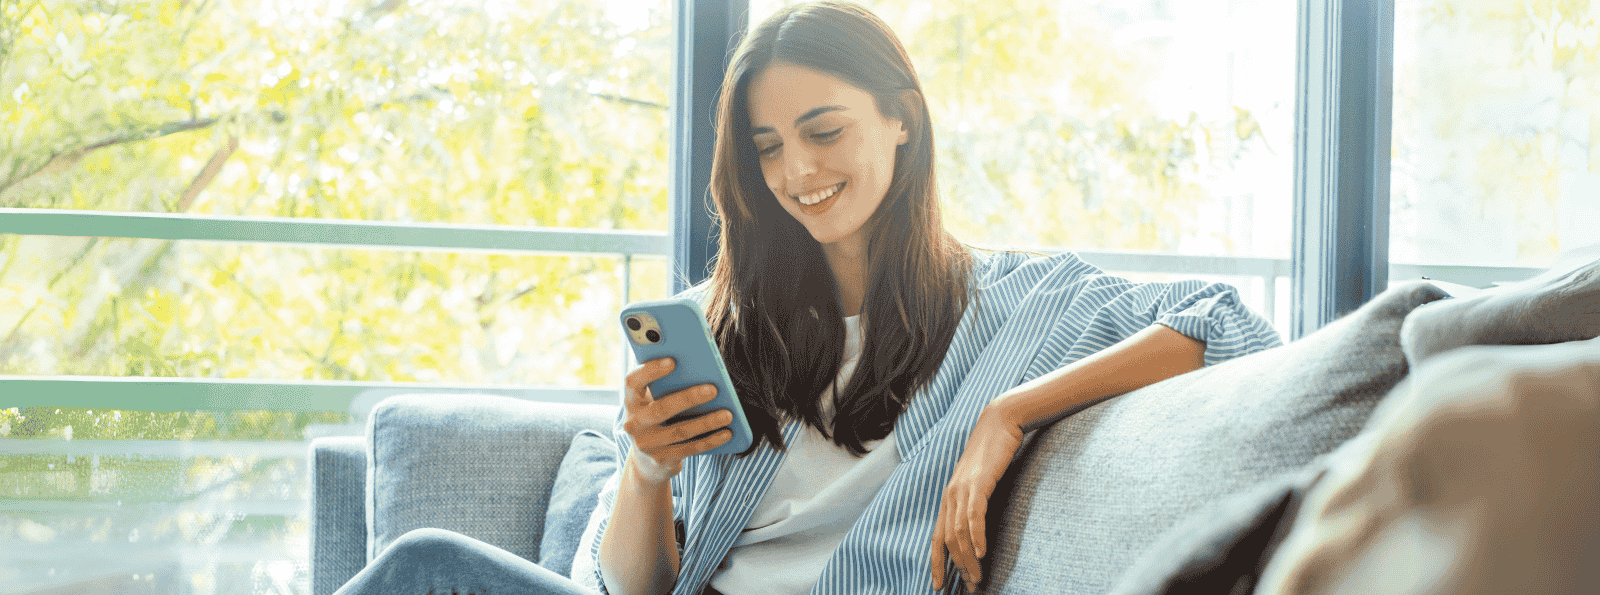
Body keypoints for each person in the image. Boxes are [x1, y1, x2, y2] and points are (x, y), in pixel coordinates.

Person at [332, 2, 1450, 594]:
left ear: (901, 119)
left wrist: (1004, 416)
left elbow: (1226, 326)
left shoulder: (1022, 306)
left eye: (824, 130)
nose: (797, 171)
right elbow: (635, 586)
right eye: (767, 147)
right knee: (428, 565)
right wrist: (645, 466)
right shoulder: (725, 327)